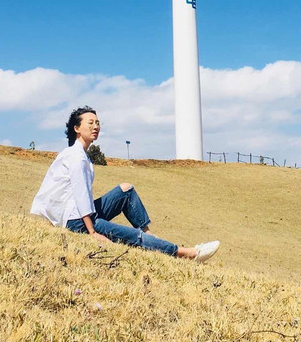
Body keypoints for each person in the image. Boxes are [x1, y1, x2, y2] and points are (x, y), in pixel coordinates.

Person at [31, 106, 220, 262]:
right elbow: (79, 195)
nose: (96, 126)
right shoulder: (76, 157)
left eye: (98, 123)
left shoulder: (81, 156)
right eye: (90, 123)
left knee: (125, 189)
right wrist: (91, 231)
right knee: (132, 237)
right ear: (77, 128)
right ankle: (187, 253)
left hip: (81, 214)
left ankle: (149, 235)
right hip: (77, 222)